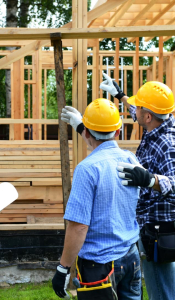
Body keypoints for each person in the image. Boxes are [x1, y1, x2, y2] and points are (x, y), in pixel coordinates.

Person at [52, 99, 141, 300]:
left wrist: (63, 268)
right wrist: (82, 127)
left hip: (99, 266)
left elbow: (78, 227)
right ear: (119, 131)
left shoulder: (87, 169)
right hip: (130, 256)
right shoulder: (130, 159)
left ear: (86, 133)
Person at [100, 74, 175, 300]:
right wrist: (120, 94)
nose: (136, 111)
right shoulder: (155, 125)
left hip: (160, 231)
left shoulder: (168, 144)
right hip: (149, 227)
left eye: (140, 107)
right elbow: (137, 111)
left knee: (161, 290)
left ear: (149, 116)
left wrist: (151, 181)